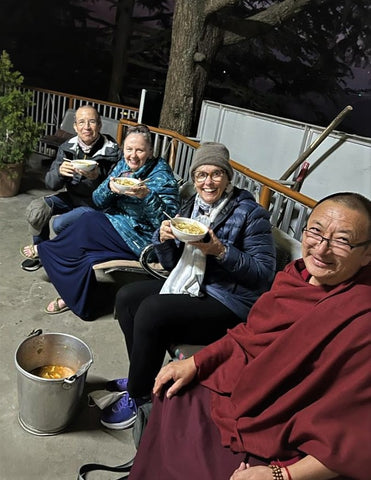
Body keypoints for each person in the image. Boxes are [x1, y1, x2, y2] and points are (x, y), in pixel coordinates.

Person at [127, 192, 371, 480]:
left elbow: (357, 429)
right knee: (172, 392)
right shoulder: (295, 277)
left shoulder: (361, 315)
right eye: (315, 232)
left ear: (367, 253)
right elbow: (251, 335)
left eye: (342, 240)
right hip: (248, 387)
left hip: (288, 424)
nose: (321, 249)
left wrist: (282, 475)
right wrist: (196, 362)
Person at [102, 142, 276, 430]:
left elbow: (263, 274)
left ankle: (140, 395)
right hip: (192, 282)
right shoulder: (190, 206)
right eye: (201, 175)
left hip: (229, 300)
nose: (208, 182)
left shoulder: (250, 213)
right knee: (126, 298)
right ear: (194, 178)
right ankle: (141, 374)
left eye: (216, 174)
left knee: (151, 311)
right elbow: (172, 265)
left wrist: (220, 251)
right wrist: (163, 239)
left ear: (228, 177)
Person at [30, 124, 180, 320]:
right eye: (128, 149)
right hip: (114, 223)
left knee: (88, 222)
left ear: (150, 151)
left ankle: (45, 249)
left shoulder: (162, 176)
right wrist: (109, 187)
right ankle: (77, 300)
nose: (133, 155)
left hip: (140, 239)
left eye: (140, 150)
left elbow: (167, 223)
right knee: (83, 253)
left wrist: (147, 196)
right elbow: (98, 200)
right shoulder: (123, 166)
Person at [20, 105, 121, 271]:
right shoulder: (68, 148)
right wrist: (59, 173)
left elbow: (115, 192)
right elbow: (51, 184)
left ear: (100, 125)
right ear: (75, 126)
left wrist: (97, 178)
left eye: (92, 122)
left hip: (99, 206)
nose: (86, 127)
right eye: (81, 122)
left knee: (60, 224)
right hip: (74, 198)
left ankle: (62, 255)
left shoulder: (112, 152)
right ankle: (42, 253)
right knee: (37, 209)